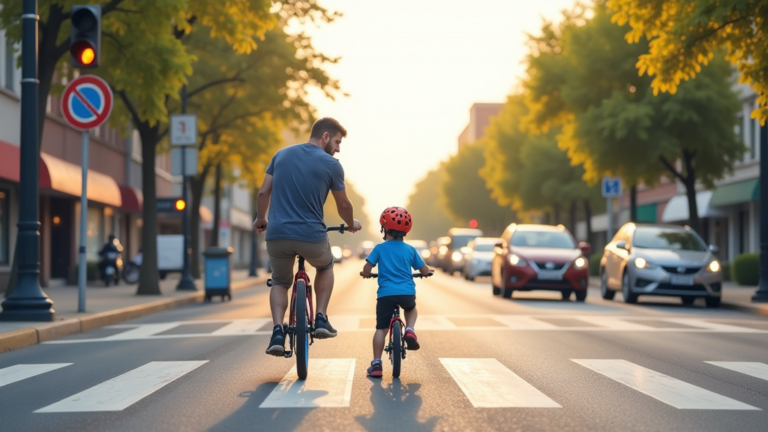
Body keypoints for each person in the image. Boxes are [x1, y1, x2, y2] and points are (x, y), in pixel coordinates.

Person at [254, 117, 362, 357]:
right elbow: (343, 204)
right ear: (324, 137)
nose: (338, 148)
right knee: (326, 266)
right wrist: (350, 223)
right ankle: (321, 318)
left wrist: (262, 219)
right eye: (336, 141)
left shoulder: (280, 155)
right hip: (311, 237)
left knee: (281, 282)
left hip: (278, 235)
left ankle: (277, 332)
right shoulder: (332, 165)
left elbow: (263, 192)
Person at [360, 207, 432, 378]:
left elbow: (367, 267)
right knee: (411, 308)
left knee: (381, 329)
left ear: (384, 229)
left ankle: (376, 364)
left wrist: (366, 273)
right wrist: (426, 272)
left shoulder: (379, 248)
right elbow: (424, 269)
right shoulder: (410, 249)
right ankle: (410, 329)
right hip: (407, 292)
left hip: (385, 294)